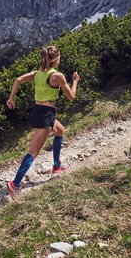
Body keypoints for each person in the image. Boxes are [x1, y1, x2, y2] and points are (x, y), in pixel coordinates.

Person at [5, 46, 80, 199]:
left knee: (60, 131)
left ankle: (56, 166)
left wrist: (11, 98)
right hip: (46, 114)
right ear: (56, 59)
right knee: (34, 151)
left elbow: (18, 80)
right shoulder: (57, 76)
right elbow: (71, 96)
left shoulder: (37, 74)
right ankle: (15, 184)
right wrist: (75, 81)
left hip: (39, 111)